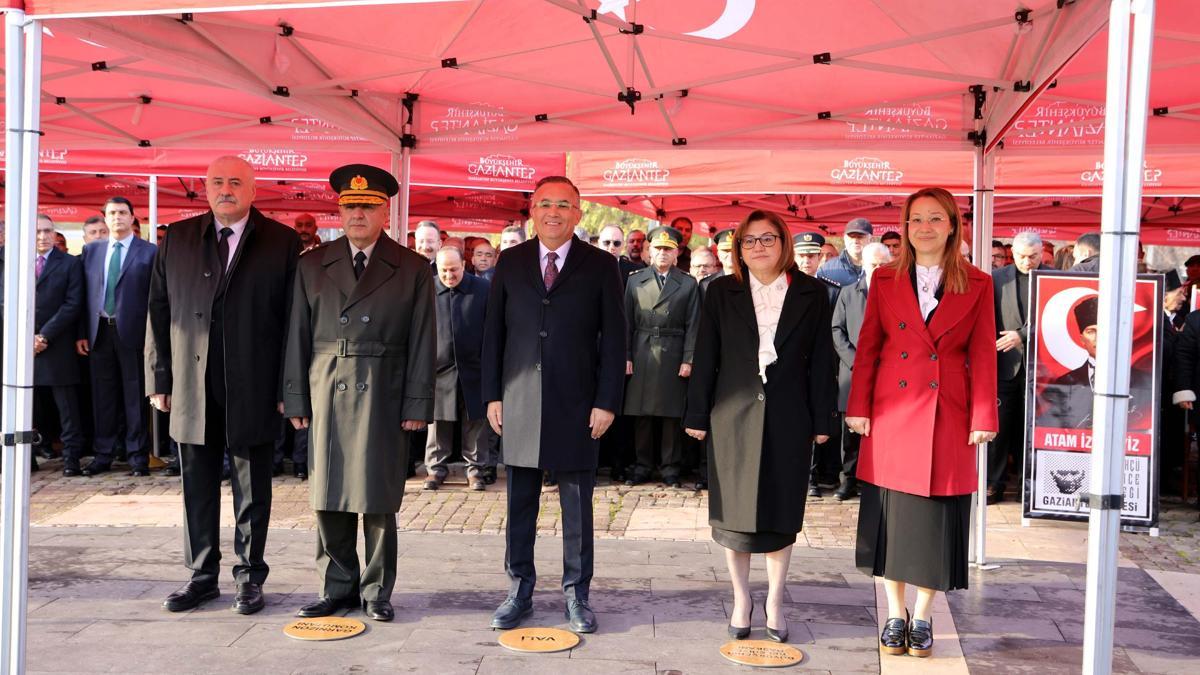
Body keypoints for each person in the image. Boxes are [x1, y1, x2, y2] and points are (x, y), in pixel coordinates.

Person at [845, 187, 998, 659]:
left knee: (935, 519)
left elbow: (982, 354)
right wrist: (859, 406)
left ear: (952, 225)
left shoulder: (978, 282)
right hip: (893, 410)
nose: (925, 228)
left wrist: (984, 414)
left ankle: (925, 614)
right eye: (915, 220)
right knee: (895, 517)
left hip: (948, 412)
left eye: (935, 219)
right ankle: (895, 612)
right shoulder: (885, 278)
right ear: (905, 227)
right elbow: (868, 347)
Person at [148, 156, 300, 615]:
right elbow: (157, 311)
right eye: (217, 181)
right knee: (196, 482)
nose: (226, 189)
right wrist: (160, 377)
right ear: (205, 188)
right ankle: (202, 575)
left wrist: (286, 387)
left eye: (236, 182)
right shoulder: (177, 237)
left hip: (254, 382)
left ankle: (250, 575)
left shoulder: (281, 241)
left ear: (254, 190)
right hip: (191, 384)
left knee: (253, 485)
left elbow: (295, 321)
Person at [284, 163, 434, 623]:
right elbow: (297, 334)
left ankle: (375, 589)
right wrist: (294, 396)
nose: (357, 214)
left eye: (367, 207)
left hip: (383, 389)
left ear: (385, 211)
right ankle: (336, 586)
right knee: (327, 492)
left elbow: (425, 340)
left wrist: (417, 402)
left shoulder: (412, 267)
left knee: (377, 495)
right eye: (350, 206)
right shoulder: (312, 264)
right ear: (339, 209)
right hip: (326, 384)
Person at [685, 209, 837, 644]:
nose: (758, 247)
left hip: (790, 415)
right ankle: (740, 599)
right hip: (733, 415)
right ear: (738, 249)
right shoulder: (719, 291)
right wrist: (697, 415)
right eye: (749, 241)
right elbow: (705, 356)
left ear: (783, 243)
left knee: (780, 510)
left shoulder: (812, 292)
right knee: (734, 515)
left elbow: (822, 361)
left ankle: (774, 599)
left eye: (767, 239)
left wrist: (823, 417)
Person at [481, 175, 625, 634]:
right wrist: (492, 394)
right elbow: (493, 335)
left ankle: (576, 595)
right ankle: (519, 589)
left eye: (565, 204)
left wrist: (606, 401)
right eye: (545, 204)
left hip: (579, 404)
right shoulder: (510, 261)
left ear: (578, 214)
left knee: (577, 506)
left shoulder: (601, 265)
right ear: (532, 211)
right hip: (519, 400)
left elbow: (614, 338)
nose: (554, 212)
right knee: (519, 501)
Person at [76, 196, 156, 476]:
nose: (116, 218)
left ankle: (137, 458)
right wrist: (82, 332)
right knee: (103, 398)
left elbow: (154, 300)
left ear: (133, 218)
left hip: (133, 334)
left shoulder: (149, 252)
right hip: (99, 332)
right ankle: (103, 455)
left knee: (135, 398)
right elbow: (83, 296)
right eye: (111, 213)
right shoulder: (92, 252)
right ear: (105, 217)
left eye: (122, 212)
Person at [624, 226, 700, 488]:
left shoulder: (688, 283)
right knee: (642, 414)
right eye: (657, 248)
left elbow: (694, 324)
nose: (662, 253)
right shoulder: (634, 280)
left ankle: (670, 468)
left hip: (673, 349)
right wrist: (627, 355)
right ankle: (642, 465)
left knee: (671, 415)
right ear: (649, 251)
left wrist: (688, 358)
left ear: (677, 252)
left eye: (668, 249)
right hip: (643, 348)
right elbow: (626, 322)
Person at [424, 247, 490, 491]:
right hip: (439, 369)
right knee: (438, 423)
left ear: (464, 265)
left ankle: (475, 470)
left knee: (475, 422)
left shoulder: (482, 289)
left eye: (453, 269)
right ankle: (435, 469)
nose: (449, 275)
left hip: (474, 367)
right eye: (443, 270)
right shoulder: (428, 289)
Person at [830, 242, 892, 501]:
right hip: (853, 372)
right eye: (872, 264)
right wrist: (857, 362)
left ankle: (877, 480)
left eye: (882, 264)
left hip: (887, 373)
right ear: (862, 265)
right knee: (851, 434)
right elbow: (837, 330)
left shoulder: (899, 294)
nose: (877, 269)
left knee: (882, 431)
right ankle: (848, 480)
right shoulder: (848, 293)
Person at [988, 231, 1045, 503]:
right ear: (1012, 254)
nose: (1027, 261)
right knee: (999, 429)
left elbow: (1055, 319)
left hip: (1041, 367)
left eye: (1033, 256)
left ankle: (1028, 487)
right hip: (1004, 366)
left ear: (1042, 253)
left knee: (1030, 430)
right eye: (1021, 256)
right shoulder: (998, 279)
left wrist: (1022, 335)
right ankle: (993, 484)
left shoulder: (1054, 278)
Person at [32, 215, 86, 476]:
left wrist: (43, 336)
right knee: (27, 405)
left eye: (47, 231)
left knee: (66, 407)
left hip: (57, 343)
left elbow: (73, 303)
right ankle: (28, 457)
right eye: (38, 231)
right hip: (23, 346)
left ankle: (71, 458)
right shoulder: (15, 260)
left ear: (55, 234)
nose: (42, 236)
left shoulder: (69, 263)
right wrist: (26, 337)